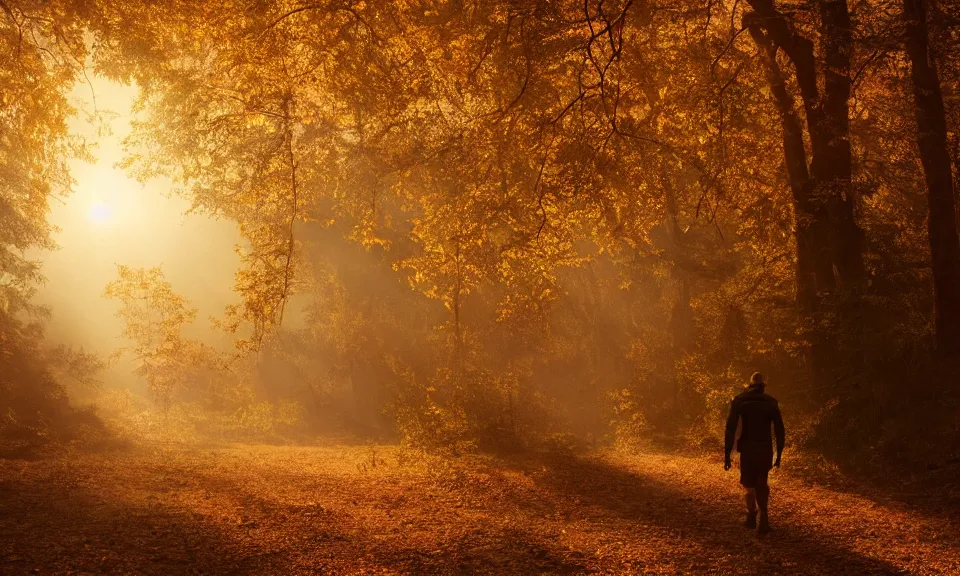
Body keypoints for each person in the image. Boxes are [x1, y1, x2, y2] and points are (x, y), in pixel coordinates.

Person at [723, 372, 785, 535]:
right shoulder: (771, 402)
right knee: (762, 482)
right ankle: (763, 517)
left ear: (750, 385)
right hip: (765, 449)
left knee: (748, 485)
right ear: (763, 387)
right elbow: (780, 431)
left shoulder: (740, 400)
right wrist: (779, 455)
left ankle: (751, 515)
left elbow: (730, 428)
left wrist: (727, 453)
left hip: (748, 449)